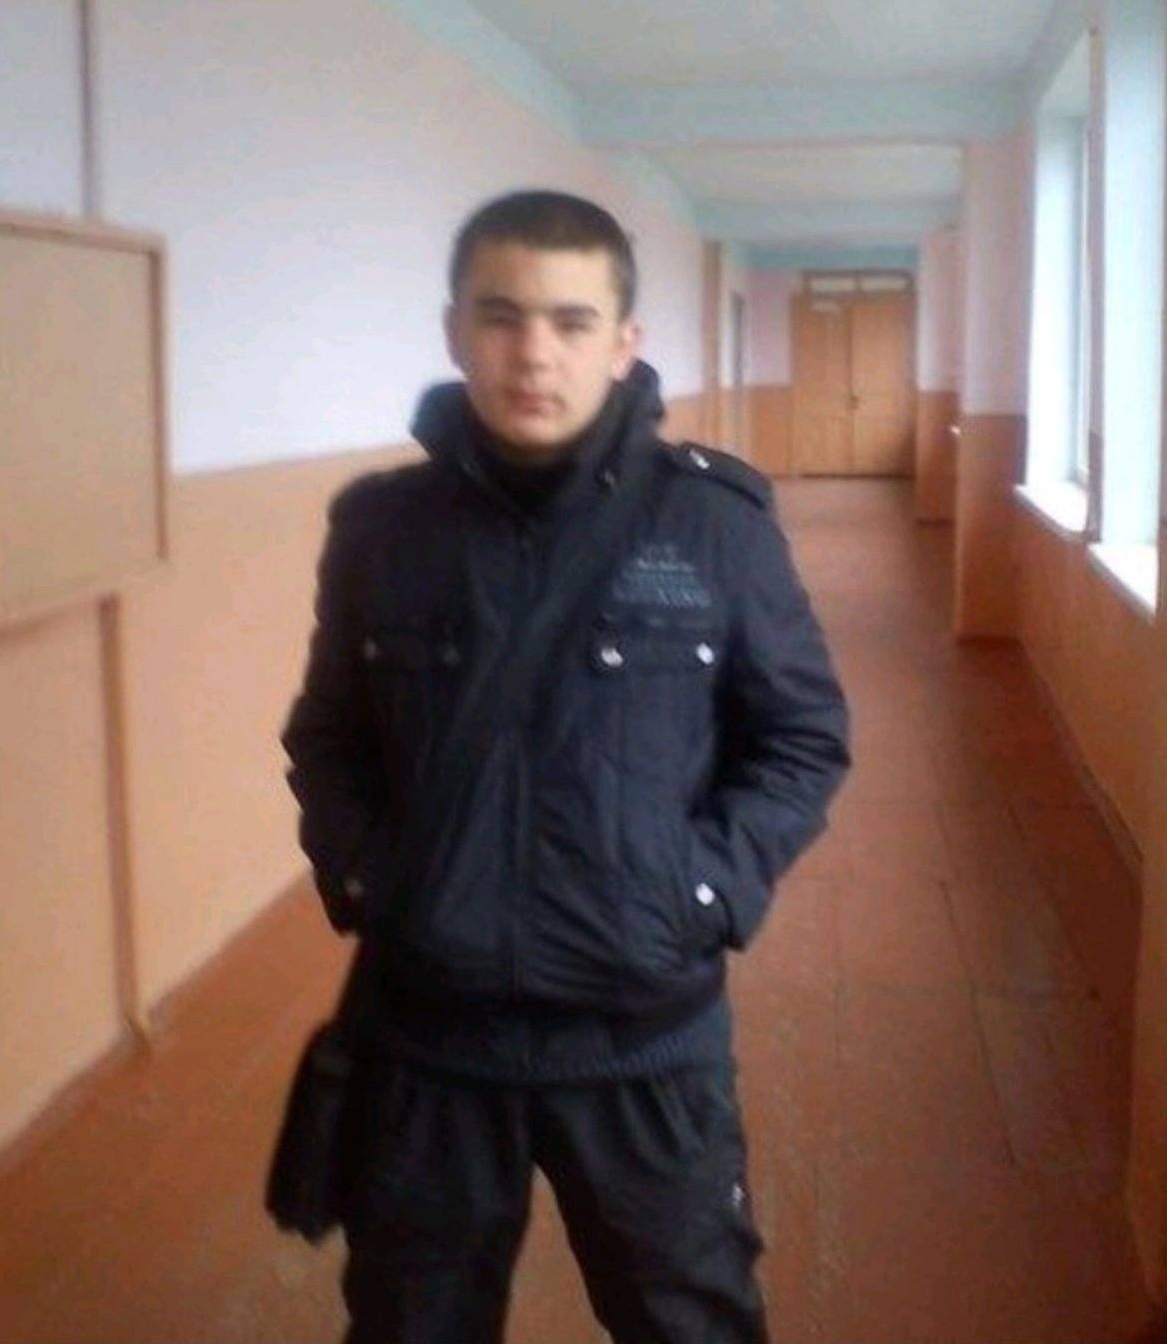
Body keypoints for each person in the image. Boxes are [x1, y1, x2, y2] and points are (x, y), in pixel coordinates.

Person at [281, 188, 850, 1344]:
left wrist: (699, 890)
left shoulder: (714, 524)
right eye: (500, 316)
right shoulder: (381, 529)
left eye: (570, 320)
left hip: (643, 1037)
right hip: (427, 1038)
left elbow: (799, 735)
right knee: (408, 1323)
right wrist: (371, 875)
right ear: (454, 331)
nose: (532, 352)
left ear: (623, 341)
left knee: (687, 1320)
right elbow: (328, 733)